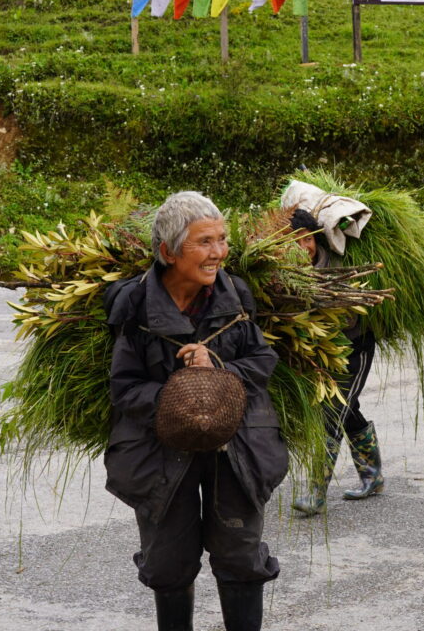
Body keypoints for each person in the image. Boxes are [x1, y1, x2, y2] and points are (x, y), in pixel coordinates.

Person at [103, 191, 288, 631]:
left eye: (222, 240)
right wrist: (181, 399)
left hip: (236, 445)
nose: (218, 253)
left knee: (240, 555)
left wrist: (217, 370)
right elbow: (124, 386)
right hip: (159, 448)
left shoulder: (235, 296)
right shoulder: (135, 305)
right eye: (204, 242)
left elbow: (263, 361)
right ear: (168, 251)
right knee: (167, 561)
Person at [288, 208, 384, 516]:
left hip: (356, 346)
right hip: (324, 352)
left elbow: (354, 313)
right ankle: (373, 475)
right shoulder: (288, 274)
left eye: (306, 241)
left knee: (332, 410)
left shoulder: (338, 264)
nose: (302, 249)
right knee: (347, 409)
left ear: (316, 238)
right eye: (293, 243)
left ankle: (316, 492)